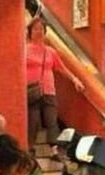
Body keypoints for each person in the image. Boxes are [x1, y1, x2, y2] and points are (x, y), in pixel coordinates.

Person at [26, 16, 84, 148]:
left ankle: (54, 151)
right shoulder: (24, 50)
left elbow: (61, 68)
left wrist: (75, 79)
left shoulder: (50, 51)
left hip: (49, 90)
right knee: (33, 122)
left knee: (52, 121)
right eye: (35, 29)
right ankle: (30, 149)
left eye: (41, 29)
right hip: (32, 90)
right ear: (30, 32)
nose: (39, 32)